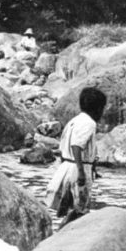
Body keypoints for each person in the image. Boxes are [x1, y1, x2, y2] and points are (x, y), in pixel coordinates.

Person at [44, 87, 106, 227]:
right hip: (78, 167)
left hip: (67, 166)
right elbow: (76, 146)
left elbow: (63, 147)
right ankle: (67, 235)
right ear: (96, 108)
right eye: (101, 108)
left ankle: (62, 232)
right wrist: (81, 171)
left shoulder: (73, 121)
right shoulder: (89, 123)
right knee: (80, 210)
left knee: (71, 208)